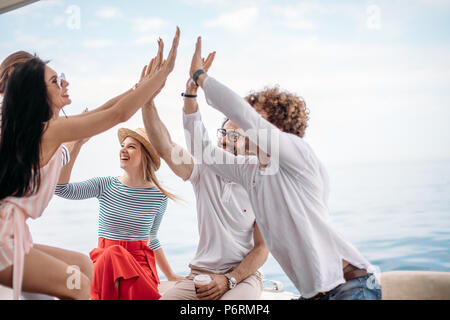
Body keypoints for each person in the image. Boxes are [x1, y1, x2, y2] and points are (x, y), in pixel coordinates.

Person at [183, 36, 382, 300]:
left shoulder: (298, 155)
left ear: (275, 128)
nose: (240, 125)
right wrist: (190, 94)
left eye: (254, 118)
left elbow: (244, 116)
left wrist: (201, 76)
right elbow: (203, 150)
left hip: (350, 288)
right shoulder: (250, 171)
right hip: (315, 294)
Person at [0, 27, 180, 300]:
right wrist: (163, 74)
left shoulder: (46, 133)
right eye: (56, 81)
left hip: (14, 235)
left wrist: (140, 88)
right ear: (37, 94)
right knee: (79, 285)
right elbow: (117, 114)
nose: (64, 83)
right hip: (4, 240)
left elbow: (104, 111)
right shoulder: (48, 130)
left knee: (83, 266)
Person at [141, 53, 269, 300]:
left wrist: (228, 280)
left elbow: (262, 249)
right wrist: (147, 100)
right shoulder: (203, 169)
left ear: (249, 144)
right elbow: (165, 146)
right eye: (222, 133)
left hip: (241, 277)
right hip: (200, 274)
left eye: (234, 136)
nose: (223, 140)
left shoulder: (259, 181)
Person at [54, 125, 184, 300]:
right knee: (113, 253)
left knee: (114, 254)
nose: (123, 149)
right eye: (123, 145)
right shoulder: (104, 185)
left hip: (139, 267)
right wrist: (77, 144)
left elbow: (152, 237)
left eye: (131, 146)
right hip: (104, 262)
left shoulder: (158, 197)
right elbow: (61, 189)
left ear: (145, 155)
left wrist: (170, 275)